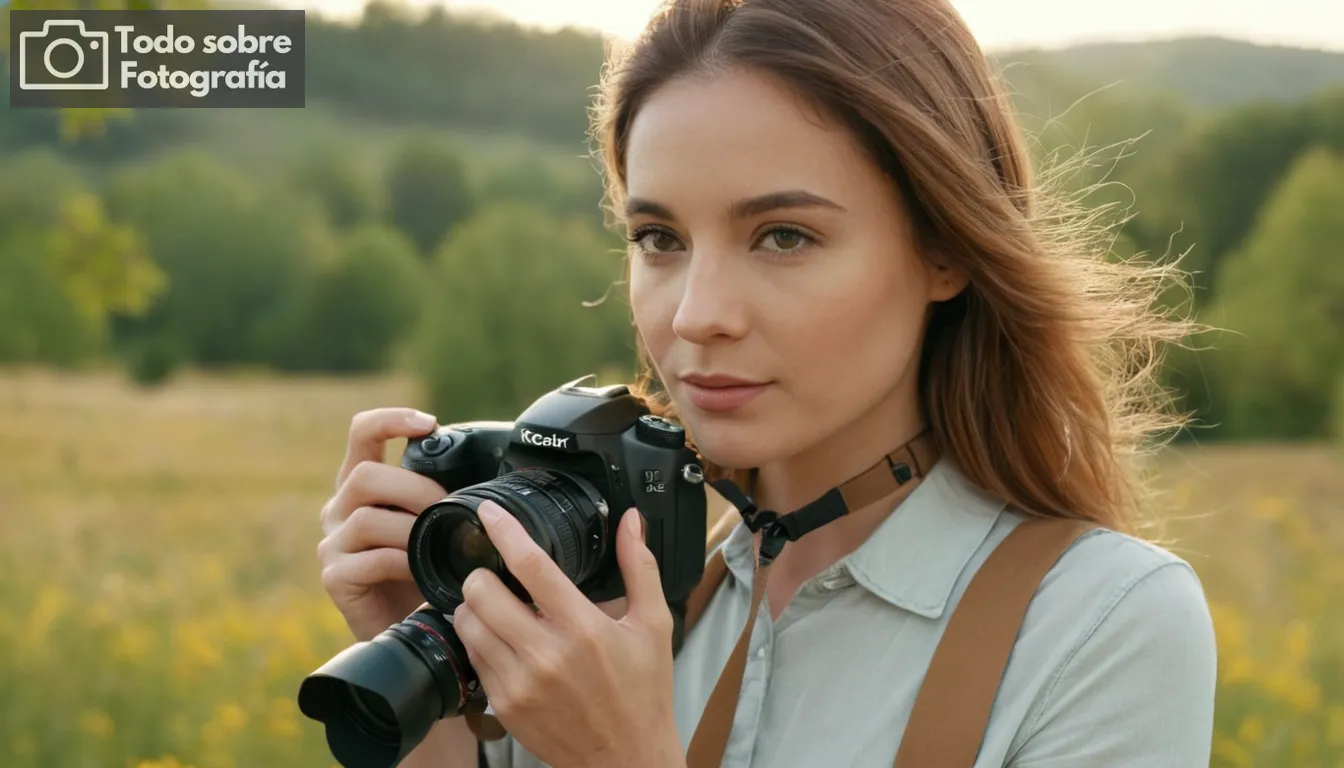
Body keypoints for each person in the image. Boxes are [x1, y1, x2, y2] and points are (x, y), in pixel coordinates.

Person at [314, 0, 1219, 765]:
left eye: (784, 236)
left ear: (943, 249)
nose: (697, 314)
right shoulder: (597, 602)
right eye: (659, 240)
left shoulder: (1102, 626)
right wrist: (427, 674)